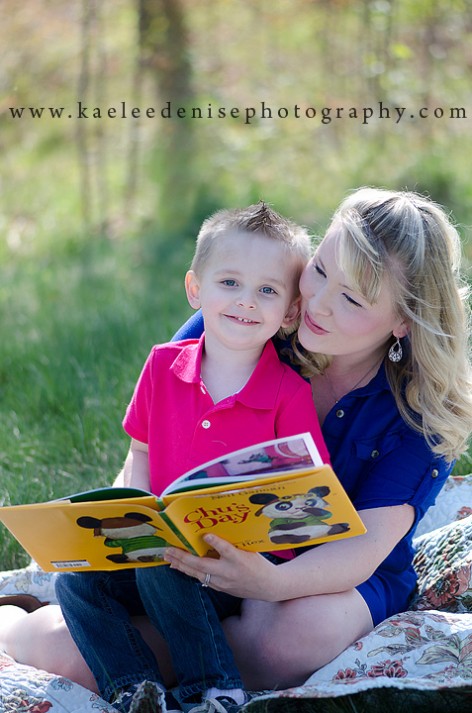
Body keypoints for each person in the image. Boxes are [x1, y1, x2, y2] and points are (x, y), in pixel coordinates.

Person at [0, 187, 470, 713]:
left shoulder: (420, 408)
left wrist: (272, 582)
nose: (315, 303)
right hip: (191, 556)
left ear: (402, 321)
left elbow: (365, 547)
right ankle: (35, 628)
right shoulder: (250, 318)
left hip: (328, 574)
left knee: (289, 640)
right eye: (319, 270)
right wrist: (136, 528)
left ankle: (179, 659)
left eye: (353, 298)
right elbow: (152, 444)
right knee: (59, 650)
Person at [54, 202, 331, 713]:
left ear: (290, 311)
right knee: (74, 583)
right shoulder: (161, 366)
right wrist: (133, 511)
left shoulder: (288, 393)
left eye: (268, 290)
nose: (246, 302)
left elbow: (309, 494)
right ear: (195, 289)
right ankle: (135, 688)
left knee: (166, 566)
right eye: (229, 282)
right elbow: (140, 453)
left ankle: (214, 690)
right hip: (163, 547)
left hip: (241, 565)